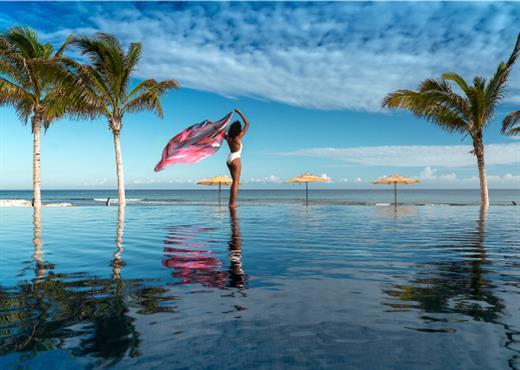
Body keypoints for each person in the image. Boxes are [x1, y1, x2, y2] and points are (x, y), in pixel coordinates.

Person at [225, 109, 249, 208]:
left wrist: (212, 123)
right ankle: (233, 204)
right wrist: (239, 112)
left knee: (234, 182)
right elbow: (247, 124)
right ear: (238, 129)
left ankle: (231, 202)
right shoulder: (238, 137)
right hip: (236, 158)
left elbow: (218, 130)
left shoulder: (228, 137)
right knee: (235, 182)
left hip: (229, 159)